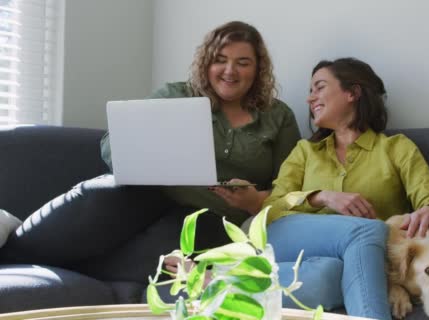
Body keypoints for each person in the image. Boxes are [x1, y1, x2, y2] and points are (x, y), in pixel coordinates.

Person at [0, 21, 300, 278]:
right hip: (148, 194)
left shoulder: (278, 116)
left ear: (258, 68)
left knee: (167, 252)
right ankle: (11, 250)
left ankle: (69, 269)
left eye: (243, 62)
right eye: (220, 59)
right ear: (206, 63)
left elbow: (290, 188)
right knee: (103, 195)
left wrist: (255, 200)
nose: (229, 71)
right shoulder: (177, 95)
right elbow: (111, 142)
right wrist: (135, 161)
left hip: (212, 216)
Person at [262, 57, 429, 319]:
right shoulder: (305, 151)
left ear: (353, 93)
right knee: (371, 229)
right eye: (310, 91)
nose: (310, 99)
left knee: (328, 279)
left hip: (353, 261)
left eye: (319, 88)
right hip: (297, 241)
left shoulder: (396, 148)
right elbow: (270, 209)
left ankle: (223, 278)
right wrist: (320, 197)